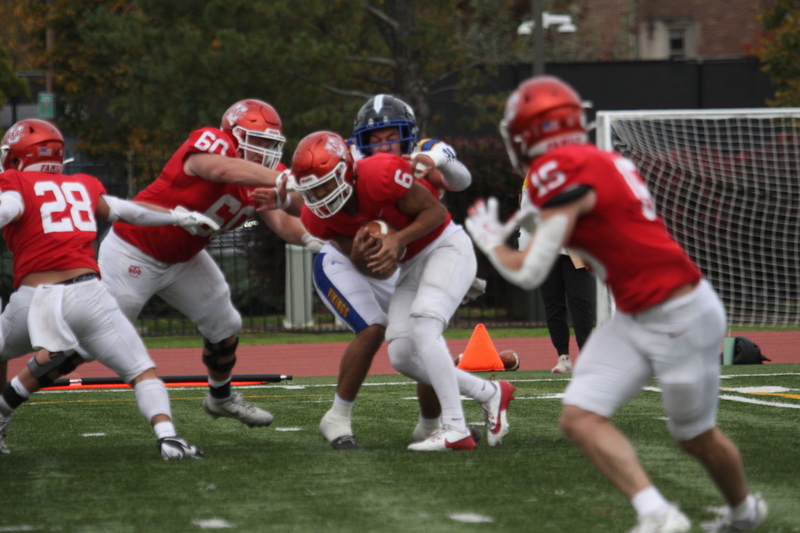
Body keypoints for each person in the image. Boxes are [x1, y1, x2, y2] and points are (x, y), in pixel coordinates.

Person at [465, 76, 767, 532]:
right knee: (580, 417)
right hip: (637, 313)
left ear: (535, 133)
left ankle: (745, 512)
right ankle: (657, 513)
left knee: (695, 437)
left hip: (679, 313)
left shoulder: (557, 171)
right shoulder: (597, 161)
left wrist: (492, 245)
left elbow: (530, 270)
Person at [283, 130, 515, 451]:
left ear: (346, 171)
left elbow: (437, 212)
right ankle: (490, 393)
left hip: (445, 247)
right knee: (402, 354)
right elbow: (366, 264)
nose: (320, 194)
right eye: (311, 189)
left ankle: (455, 428)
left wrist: (397, 239)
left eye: (325, 183)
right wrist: (368, 255)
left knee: (423, 325)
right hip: (412, 264)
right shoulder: (316, 217)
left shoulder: (379, 174)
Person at [96, 99, 317, 429]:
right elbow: (221, 170)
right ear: (232, 135)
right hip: (134, 251)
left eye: (270, 146)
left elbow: (287, 223)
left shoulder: (265, 178)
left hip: (184, 259)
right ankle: (7, 400)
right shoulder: (212, 143)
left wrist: (321, 240)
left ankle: (221, 397)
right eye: (256, 143)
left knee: (225, 324)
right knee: (88, 341)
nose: (263, 153)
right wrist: (281, 180)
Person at [0, 118, 214, 459]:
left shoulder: (14, 181)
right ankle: (168, 437)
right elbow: (130, 212)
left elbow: (8, 208)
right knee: (141, 371)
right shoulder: (82, 185)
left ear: (16, 157)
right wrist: (177, 216)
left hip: (35, 300)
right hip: (88, 297)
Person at [311, 94, 476, 450]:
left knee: (423, 336)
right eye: (375, 138)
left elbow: (460, 180)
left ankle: (431, 425)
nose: (384, 144)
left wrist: (435, 159)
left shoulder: (420, 158)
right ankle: (337, 418)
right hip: (351, 258)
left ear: (407, 134)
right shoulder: (352, 164)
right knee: (372, 331)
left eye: (391, 135)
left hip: (399, 259)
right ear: (361, 142)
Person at [519, 192, 595, 373]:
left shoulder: (574, 172)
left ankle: (587, 357)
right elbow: (526, 210)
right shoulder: (532, 175)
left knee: (580, 301)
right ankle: (563, 357)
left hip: (575, 245)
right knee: (553, 303)